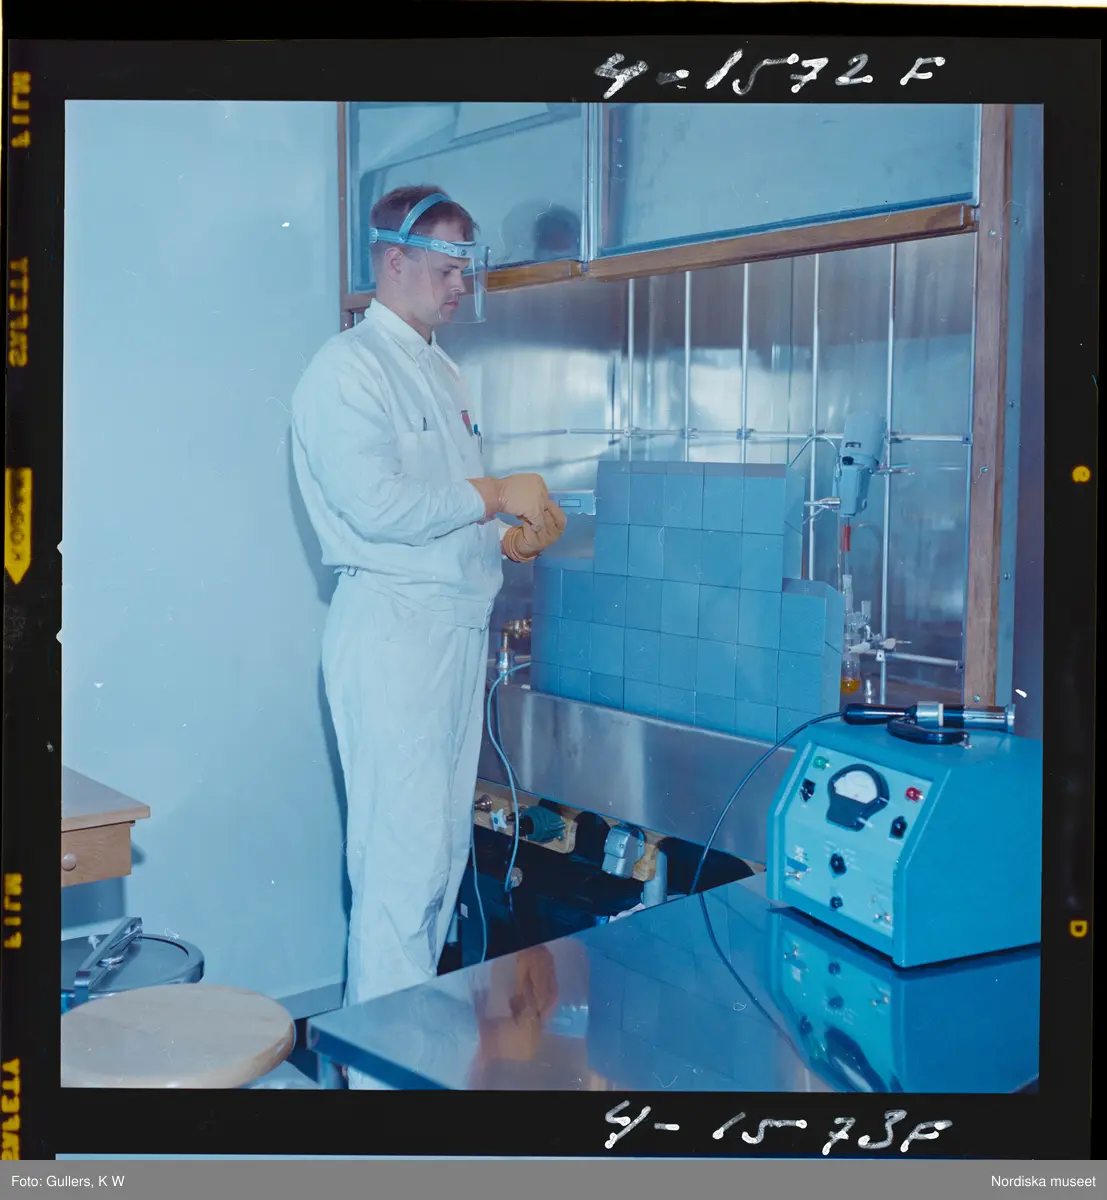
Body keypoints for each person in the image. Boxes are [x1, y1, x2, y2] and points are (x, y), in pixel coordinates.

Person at [290, 185, 566, 1088]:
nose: (460, 287)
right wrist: (491, 494)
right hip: (394, 635)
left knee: (440, 860)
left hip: (450, 632)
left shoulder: (442, 373)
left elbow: (442, 509)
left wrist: (505, 535)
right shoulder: (347, 369)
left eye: (465, 271)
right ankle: (378, 1095)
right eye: (447, 269)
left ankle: (410, 1071)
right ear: (393, 260)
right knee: (400, 869)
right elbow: (376, 507)